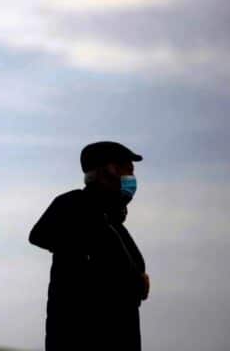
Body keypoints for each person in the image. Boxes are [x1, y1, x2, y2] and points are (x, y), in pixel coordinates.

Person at [28, 141, 150, 351]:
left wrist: (135, 279)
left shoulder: (112, 222)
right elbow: (40, 235)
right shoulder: (74, 204)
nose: (132, 179)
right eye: (128, 170)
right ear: (108, 171)